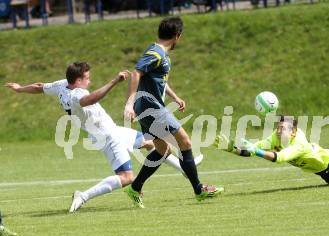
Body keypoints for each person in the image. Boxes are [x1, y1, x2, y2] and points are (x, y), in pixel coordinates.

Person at [4, 62, 203, 212]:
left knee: (154, 144)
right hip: (108, 137)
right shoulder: (76, 95)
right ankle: (84, 195)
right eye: (87, 77)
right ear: (79, 80)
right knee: (127, 177)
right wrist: (114, 81)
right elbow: (92, 98)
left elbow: (40, 86)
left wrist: (20, 88)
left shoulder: (62, 85)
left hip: (112, 130)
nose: (89, 80)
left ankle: (185, 169)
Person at [124, 16, 223, 208]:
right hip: (149, 105)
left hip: (147, 105)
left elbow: (159, 80)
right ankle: (199, 189)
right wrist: (129, 103)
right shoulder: (156, 53)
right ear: (177, 36)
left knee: (162, 150)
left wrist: (175, 97)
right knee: (185, 141)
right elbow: (136, 73)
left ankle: (135, 187)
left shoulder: (160, 54)